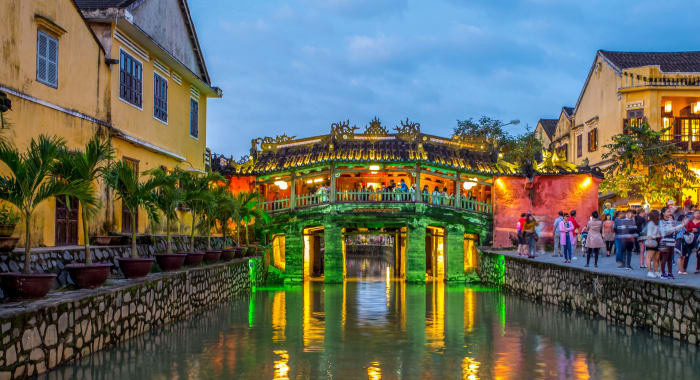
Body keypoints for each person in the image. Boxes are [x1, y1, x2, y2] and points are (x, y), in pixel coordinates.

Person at [659, 206, 688, 279]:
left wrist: (683, 225)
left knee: (670, 259)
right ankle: (662, 274)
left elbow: (675, 229)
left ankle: (670, 273)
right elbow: (666, 231)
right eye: (668, 211)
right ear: (663, 213)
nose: (670, 213)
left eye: (670, 211)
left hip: (671, 242)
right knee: (664, 258)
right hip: (665, 242)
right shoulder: (661, 222)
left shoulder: (670, 221)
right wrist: (677, 227)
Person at [680, 209, 700, 274]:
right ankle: (684, 269)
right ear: (693, 214)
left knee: (698, 254)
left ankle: (697, 269)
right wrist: (692, 229)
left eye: (698, 213)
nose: (697, 214)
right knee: (687, 254)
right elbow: (687, 229)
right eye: (696, 213)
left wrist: (697, 229)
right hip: (689, 239)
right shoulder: (690, 222)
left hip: (698, 239)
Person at [643, 210, 661, 278]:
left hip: (657, 240)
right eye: (658, 215)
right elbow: (649, 234)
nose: (659, 216)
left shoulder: (657, 223)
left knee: (656, 258)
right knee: (649, 257)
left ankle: (656, 272)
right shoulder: (651, 223)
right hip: (652, 241)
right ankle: (649, 272)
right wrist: (649, 242)